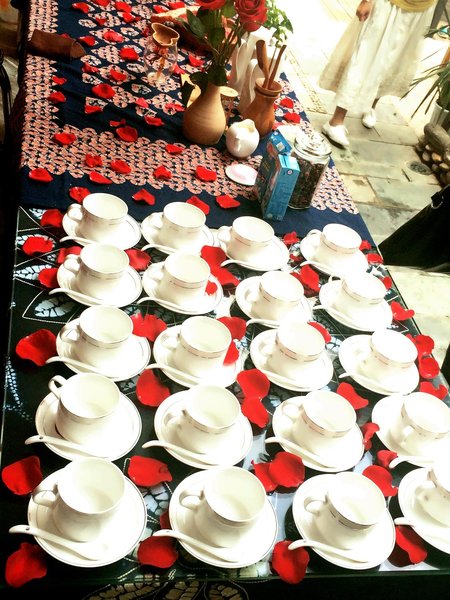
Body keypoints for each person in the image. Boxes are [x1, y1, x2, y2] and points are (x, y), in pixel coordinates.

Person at [319, 0, 437, 147]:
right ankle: (335, 121)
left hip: (422, 7)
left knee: (394, 60)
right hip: (388, 4)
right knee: (365, 56)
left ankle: (371, 105)